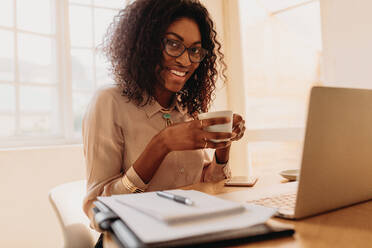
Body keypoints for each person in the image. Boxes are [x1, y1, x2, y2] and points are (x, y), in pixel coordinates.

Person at [82, 0, 246, 246]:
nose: (186, 61)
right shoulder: (109, 102)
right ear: (145, 43)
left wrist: (223, 147)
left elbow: (206, 186)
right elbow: (96, 209)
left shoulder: (188, 109)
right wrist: (161, 144)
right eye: (173, 44)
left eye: (195, 50)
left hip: (187, 234)